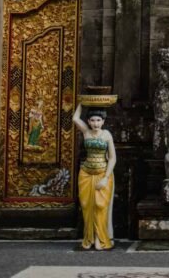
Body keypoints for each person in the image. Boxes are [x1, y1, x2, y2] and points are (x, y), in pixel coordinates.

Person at [73, 103, 116, 250]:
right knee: (86, 206)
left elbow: (112, 158)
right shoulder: (86, 132)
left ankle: (100, 238)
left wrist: (105, 178)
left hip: (102, 174)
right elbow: (75, 118)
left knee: (100, 206)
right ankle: (89, 238)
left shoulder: (107, 135)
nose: (95, 123)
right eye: (92, 120)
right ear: (88, 121)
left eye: (98, 120)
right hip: (86, 173)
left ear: (103, 121)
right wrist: (81, 102)